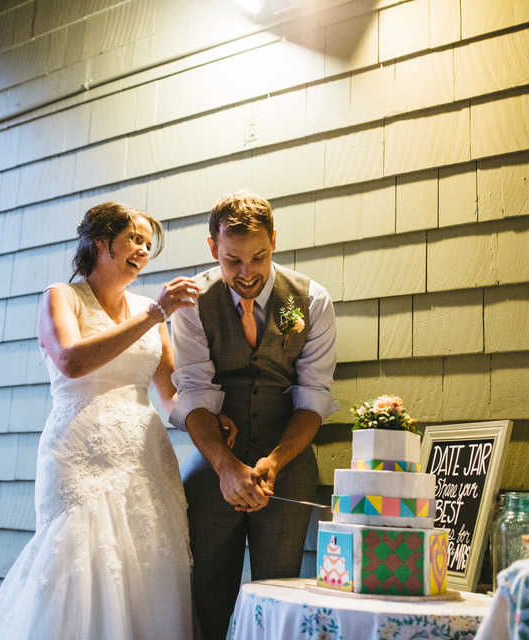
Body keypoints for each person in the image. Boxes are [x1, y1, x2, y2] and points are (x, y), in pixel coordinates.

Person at [0, 202, 205, 639]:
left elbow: (170, 394)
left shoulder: (146, 308)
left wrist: (206, 424)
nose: (143, 250)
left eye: (148, 245)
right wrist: (154, 315)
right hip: (80, 456)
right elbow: (71, 361)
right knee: (80, 568)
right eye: (135, 238)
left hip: (145, 460)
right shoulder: (62, 296)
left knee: (145, 571)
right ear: (101, 240)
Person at [169, 190, 338, 640]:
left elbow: (313, 396)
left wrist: (276, 461)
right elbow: (194, 392)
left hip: (288, 458)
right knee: (205, 586)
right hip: (213, 456)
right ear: (212, 249)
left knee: (278, 591)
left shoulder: (308, 300)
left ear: (274, 241)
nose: (247, 274)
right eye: (232, 261)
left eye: (258, 257)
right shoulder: (191, 305)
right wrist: (225, 467)